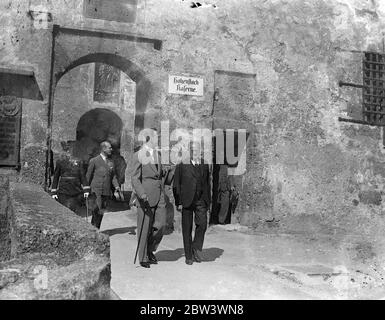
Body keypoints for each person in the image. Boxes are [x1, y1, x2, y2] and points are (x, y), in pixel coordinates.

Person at [131, 129, 168, 268]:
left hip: (159, 194)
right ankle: (143, 256)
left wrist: (167, 170)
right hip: (145, 195)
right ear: (150, 138)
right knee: (144, 227)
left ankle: (151, 249)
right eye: (157, 137)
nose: (158, 139)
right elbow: (134, 178)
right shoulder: (138, 155)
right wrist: (141, 194)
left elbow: (160, 174)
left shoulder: (158, 155)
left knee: (161, 224)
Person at [174, 141, 211, 265]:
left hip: (201, 200)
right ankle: (188, 255)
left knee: (202, 225)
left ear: (200, 151)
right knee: (187, 228)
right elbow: (176, 184)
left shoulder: (205, 164)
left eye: (197, 150)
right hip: (187, 199)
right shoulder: (182, 165)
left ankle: (196, 247)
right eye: (192, 150)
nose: (194, 152)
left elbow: (207, 184)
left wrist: (208, 202)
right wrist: (178, 201)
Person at [86, 141, 120, 229]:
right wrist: (86, 190)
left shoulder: (111, 162)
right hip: (96, 191)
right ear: (104, 149)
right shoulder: (94, 161)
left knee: (101, 212)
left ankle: (97, 230)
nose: (111, 149)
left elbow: (113, 177)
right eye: (109, 148)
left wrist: (116, 186)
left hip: (106, 191)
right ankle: (94, 231)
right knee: (96, 211)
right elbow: (88, 176)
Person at [51, 141, 90, 214]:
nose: (69, 151)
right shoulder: (60, 161)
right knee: (64, 210)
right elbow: (56, 177)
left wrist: (86, 189)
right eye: (68, 149)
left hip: (76, 189)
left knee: (74, 210)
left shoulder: (79, 161)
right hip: (63, 190)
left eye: (71, 149)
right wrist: (54, 192)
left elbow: (82, 176)